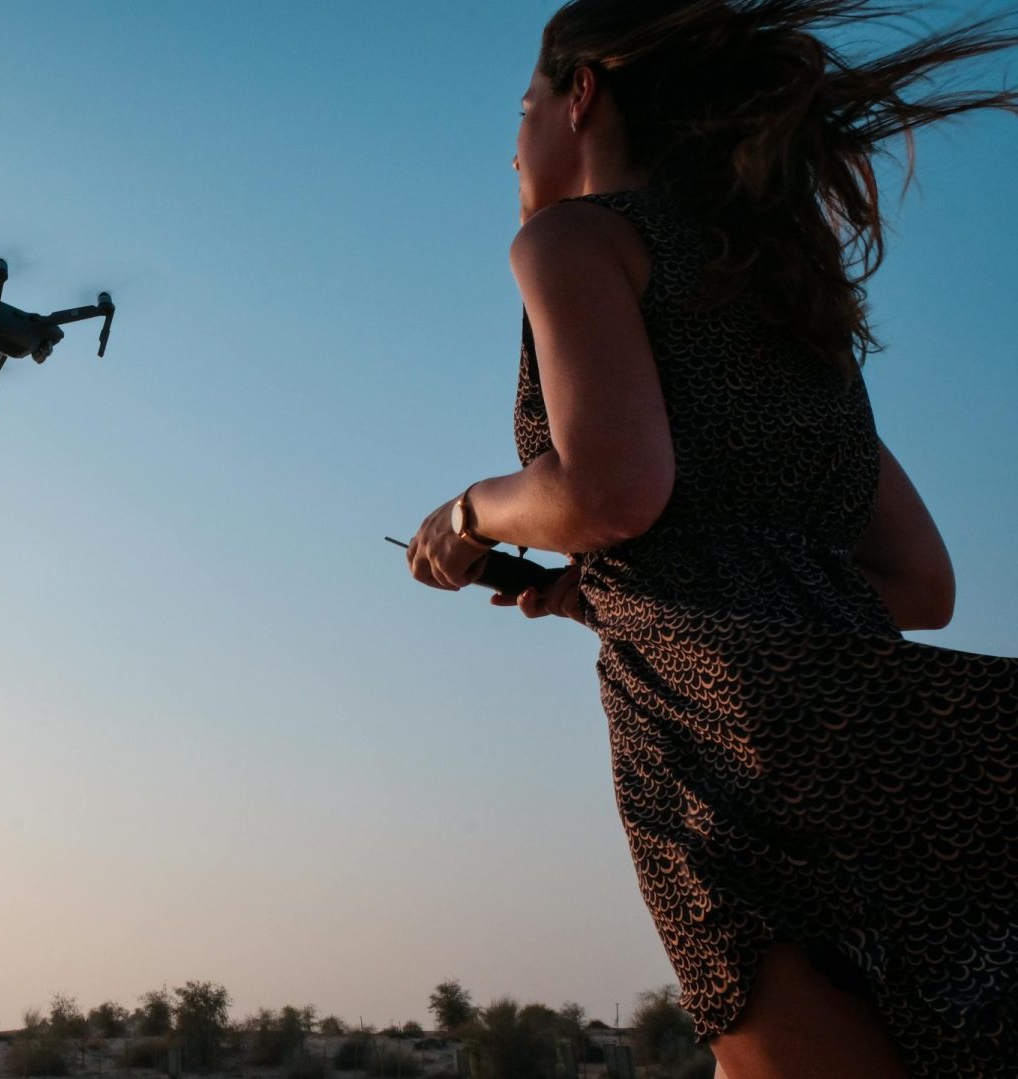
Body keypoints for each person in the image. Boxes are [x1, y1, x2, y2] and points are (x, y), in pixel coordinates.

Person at [401, 2, 1018, 1075]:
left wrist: (466, 517)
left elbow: (612, 486)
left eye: (525, 104)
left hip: (728, 732)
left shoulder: (575, 240)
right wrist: (617, 590)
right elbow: (920, 582)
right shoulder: (782, 298)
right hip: (884, 728)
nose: (513, 142)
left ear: (582, 93)